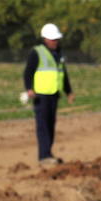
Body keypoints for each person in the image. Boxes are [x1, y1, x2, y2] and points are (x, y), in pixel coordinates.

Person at [23, 23, 74, 166]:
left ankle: (48, 153)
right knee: (43, 126)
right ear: (45, 39)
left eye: (57, 39)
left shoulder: (58, 54)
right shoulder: (37, 52)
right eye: (53, 39)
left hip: (54, 95)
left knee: (51, 125)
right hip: (41, 96)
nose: (55, 42)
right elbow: (28, 72)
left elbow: (63, 75)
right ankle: (43, 156)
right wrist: (29, 89)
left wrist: (68, 91)